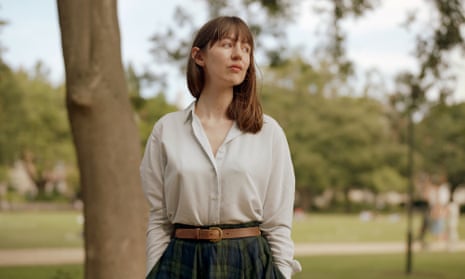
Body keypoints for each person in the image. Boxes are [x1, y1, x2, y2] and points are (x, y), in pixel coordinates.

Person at [140, 16, 301, 279]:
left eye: (246, 49)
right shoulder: (166, 130)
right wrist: (154, 271)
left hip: (250, 262)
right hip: (181, 262)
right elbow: (159, 219)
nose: (239, 54)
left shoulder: (268, 132)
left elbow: (278, 222)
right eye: (228, 45)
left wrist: (280, 273)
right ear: (199, 56)